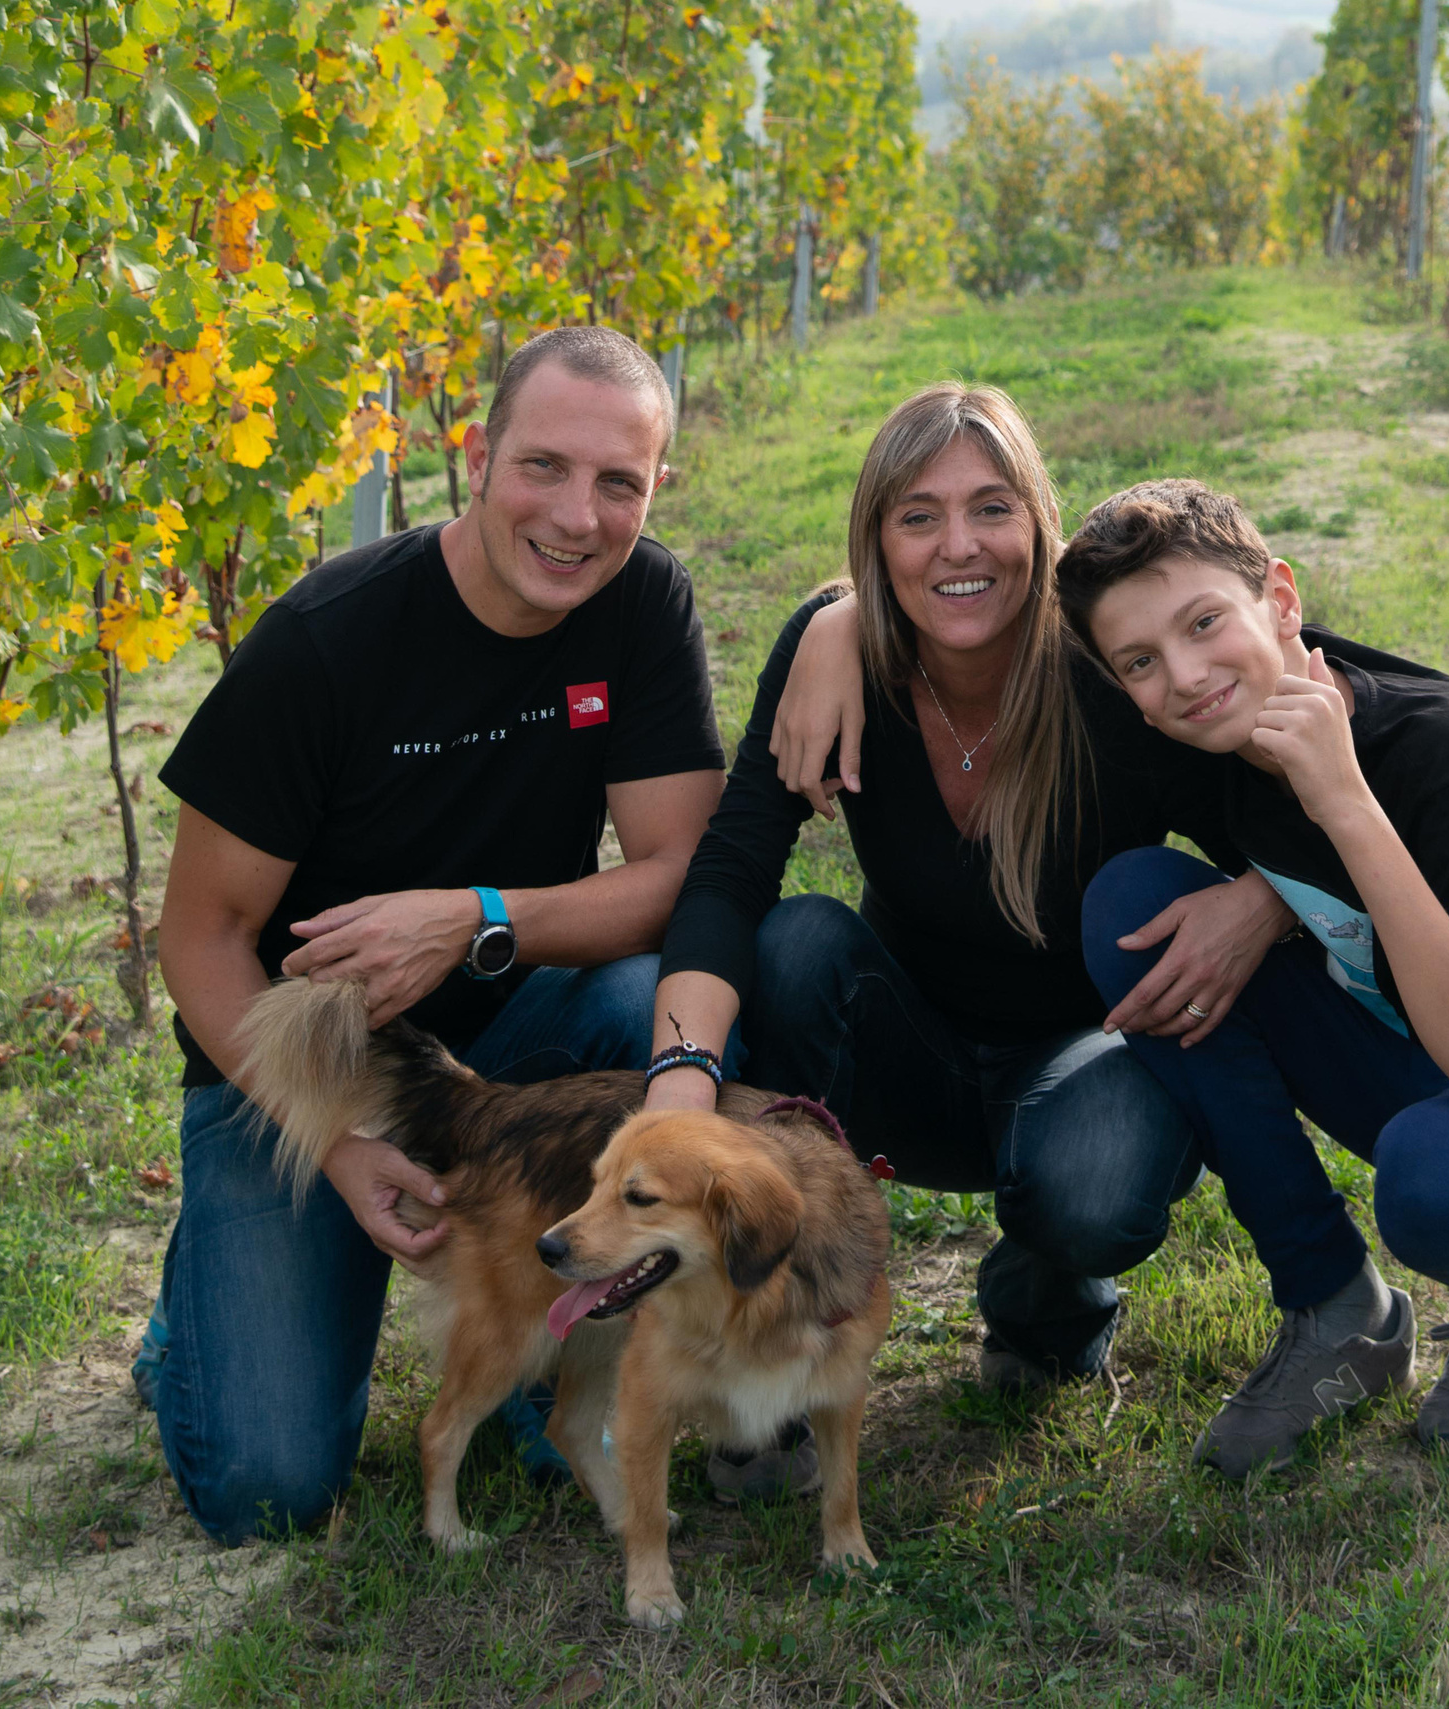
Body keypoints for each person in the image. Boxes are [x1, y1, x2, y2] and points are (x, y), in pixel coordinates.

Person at [137, 326, 730, 1543]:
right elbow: (201, 936)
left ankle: (549, 1353)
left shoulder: (640, 602)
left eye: (620, 482)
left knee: (645, 997)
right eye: (544, 467)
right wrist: (342, 1143)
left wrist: (477, 918)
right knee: (269, 1488)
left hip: (515, 1051)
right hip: (310, 1070)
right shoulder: (325, 641)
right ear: (477, 454)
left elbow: (678, 875)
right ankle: (189, 1326)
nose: (578, 516)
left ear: (656, 487)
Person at [644, 384, 1296, 1390]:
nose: (959, 546)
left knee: (1088, 1177)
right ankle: (783, 1329)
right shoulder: (837, 653)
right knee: (796, 942)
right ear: (877, 543)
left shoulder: (1115, 675)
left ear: (1036, 523)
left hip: (1086, 1059)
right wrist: (680, 1080)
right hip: (905, 1055)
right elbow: (732, 867)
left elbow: (1294, 807)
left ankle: (1046, 1304)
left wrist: (1261, 900)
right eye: (919, 516)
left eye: (990, 507)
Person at [1061, 479, 1449, 1478]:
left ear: (1280, 599)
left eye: (1204, 623)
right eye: (1138, 662)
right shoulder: (1198, 731)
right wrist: (837, 627)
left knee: (1439, 1169)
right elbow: (985, 623)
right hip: (1425, 1054)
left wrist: (1342, 809)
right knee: (1132, 908)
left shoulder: (1436, 749)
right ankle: (1334, 1310)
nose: (1184, 676)